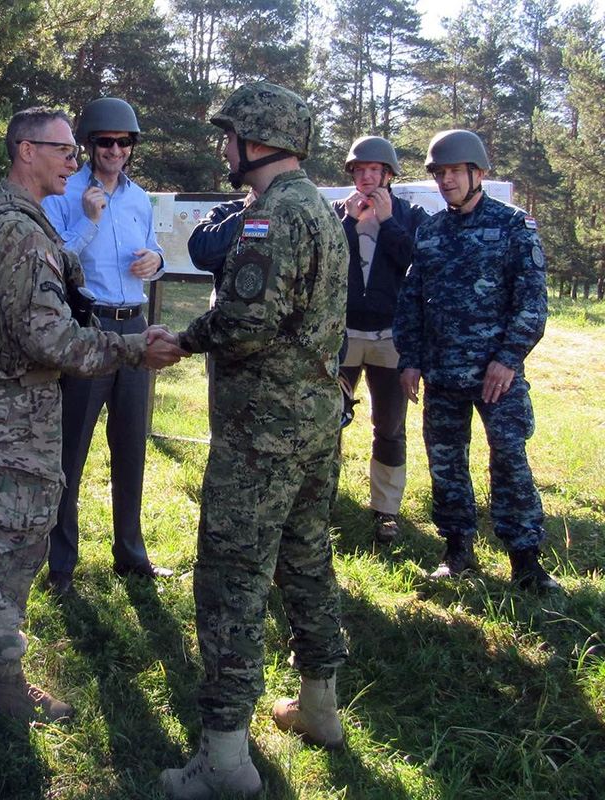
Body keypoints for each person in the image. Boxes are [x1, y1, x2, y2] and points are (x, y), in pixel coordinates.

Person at [0, 107, 186, 723]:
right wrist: (131, 349)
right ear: (27, 151)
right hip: (17, 406)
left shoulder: (1, 212)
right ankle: (2, 682)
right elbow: (50, 338)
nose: (76, 160)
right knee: (16, 539)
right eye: (66, 150)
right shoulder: (24, 228)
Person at [158, 82, 349, 799]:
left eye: (228, 134)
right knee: (307, 561)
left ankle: (225, 761)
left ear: (258, 140)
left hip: (261, 437)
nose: (222, 148)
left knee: (232, 583)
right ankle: (320, 707)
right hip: (314, 426)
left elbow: (245, 324)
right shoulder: (321, 210)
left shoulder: (272, 217)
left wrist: (181, 340)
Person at [395, 129, 558, 591]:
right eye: (439, 173)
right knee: (446, 462)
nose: (446, 180)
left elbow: (532, 304)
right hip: (442, 372)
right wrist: (410, 358)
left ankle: (526, 560)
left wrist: (508, 359)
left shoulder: (513, 225)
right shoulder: (431, 231)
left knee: (509, 460)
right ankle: (457, 549)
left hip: (496, 376)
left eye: (454, 171)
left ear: (478, 173)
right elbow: (412, 299)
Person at [40, 97, 170, 596]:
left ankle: (131, 554)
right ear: (90, 144)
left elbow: (155, 246)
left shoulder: (140, 199)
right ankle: (61, 565)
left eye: (124, 142)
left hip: (134, 327)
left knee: (131, 446)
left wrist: (155, 261)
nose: (116, 150)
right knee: (70, 450)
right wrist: (88, 220)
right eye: (106, 142)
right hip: (87, 330)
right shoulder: (64, 192)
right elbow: (53, 259)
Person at [333, 136, 430, 544]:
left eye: (374, 170)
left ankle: (386, 509)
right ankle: (321, 499)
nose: (366, 177)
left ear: (388, 174)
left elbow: (415, 264)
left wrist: (388, 222)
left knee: (389, 426)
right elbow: (326, 260)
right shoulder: (338, 212)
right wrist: (348, 222)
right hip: (342, 334)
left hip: (391, 335)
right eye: (360, 170)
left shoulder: (411, 215)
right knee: (329, 421)